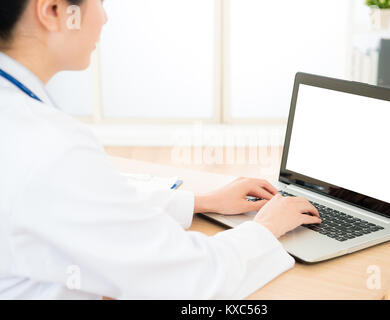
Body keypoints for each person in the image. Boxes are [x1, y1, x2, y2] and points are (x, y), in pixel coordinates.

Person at [0, 0, 321, 299]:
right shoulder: (50, 145)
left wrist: (203, 201)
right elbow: (187, 279)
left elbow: (82, 204)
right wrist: (267, 226)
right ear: (53, 10)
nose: (105, 17)